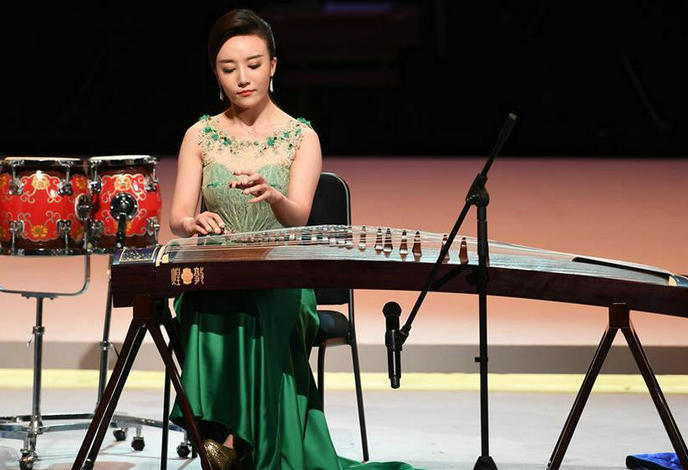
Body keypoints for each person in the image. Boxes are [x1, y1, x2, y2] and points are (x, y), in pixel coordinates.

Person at [168, 9, 414, 470]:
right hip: (218, 275)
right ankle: (222, 437)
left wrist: (274, 195)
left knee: (264, 305)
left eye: (253, 65)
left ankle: (237, 447)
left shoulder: (301, 137)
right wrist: (193, 221)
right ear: (216, 74)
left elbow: (299, 215)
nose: (242, 78)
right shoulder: (199, 135)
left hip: (281, 281)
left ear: (273, 66)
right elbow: (177, 218)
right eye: (228, 68)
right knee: (201, 301)